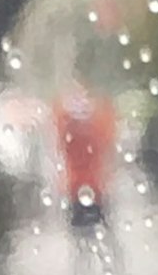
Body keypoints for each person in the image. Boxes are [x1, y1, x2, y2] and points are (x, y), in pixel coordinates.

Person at [51, 86, 119, 256]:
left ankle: (85, 270)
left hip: (76, 188)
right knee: (105, 235)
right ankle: (114, 267)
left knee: (80, 241)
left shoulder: (67, 127)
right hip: (95, 187)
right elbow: (108, 141)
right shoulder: (97, 125)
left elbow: (58, 127)